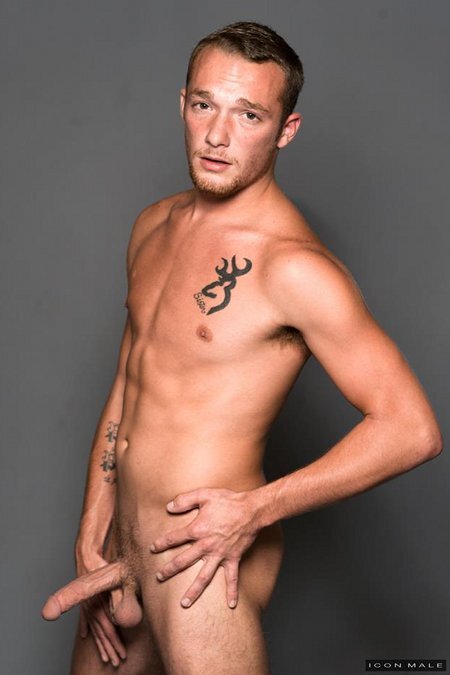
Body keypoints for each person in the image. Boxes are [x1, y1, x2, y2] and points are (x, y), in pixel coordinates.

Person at [41, 21, 443, 675]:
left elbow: (412, 428)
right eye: (205, 105)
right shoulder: (152, 227)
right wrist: (91, 532)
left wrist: (254, 510)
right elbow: (130, 381)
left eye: (249, 114)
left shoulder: (295, 268)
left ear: (286, 129)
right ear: (183, 104)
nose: (218, 136)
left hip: (202, 554)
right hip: (121, 551)